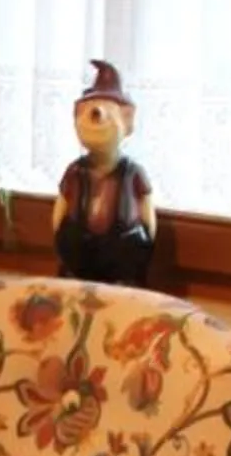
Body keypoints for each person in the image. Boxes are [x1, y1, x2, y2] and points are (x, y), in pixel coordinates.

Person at [53, 59, 156, 286]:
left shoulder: (132, 172)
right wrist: (59, 229)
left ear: (127, 120)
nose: (97, 116)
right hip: (81, 246)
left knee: (133, 245)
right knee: (71, 239)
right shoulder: (75, 170)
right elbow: (61, 205)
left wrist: (148, 232)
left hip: (121, 245)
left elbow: (146, 207)